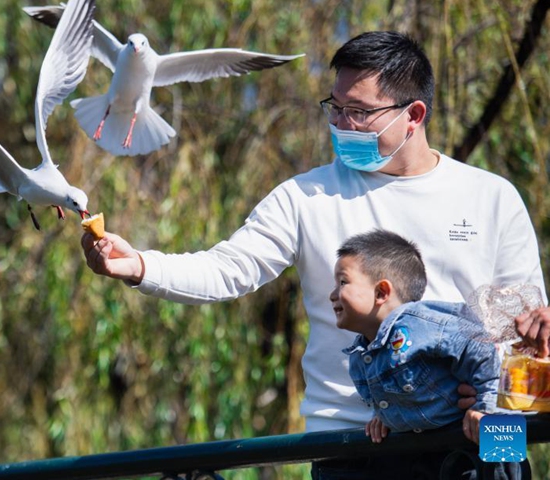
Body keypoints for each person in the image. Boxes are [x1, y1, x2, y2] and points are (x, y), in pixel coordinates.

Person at [81, 31, 546, 478]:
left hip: (475, 434)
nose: (342, 125)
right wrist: (140, 266)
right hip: (355, 446)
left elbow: (528, 333)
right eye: (335, 108)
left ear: (414, 114)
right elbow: (228, 270)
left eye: (360, 112)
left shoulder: (492, 196)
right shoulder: (305, 197)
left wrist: (500, 413)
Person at [331, 229, 498, 448]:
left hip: (477, 429)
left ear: (381, 292)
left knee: (504, 457)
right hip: (437, 448)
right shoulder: (360, 356)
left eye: (343, 282)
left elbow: (480, 345)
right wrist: (386, 416)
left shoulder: (420, 325)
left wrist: (488, 406)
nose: (332, 294)